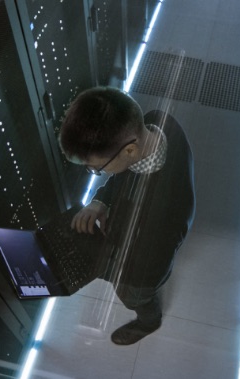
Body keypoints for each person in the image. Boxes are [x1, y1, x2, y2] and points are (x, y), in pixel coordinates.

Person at [58, 86, 195, 345]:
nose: (95, 171)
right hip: (140, 239)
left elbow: (144, 269)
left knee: (135, 296)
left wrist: (89, 261)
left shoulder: (162, 216)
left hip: (142, 273)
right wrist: (100, 201)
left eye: (97, 168)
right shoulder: (156, 121)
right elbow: (124, 174)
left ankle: (149, 321)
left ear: (129, 151)